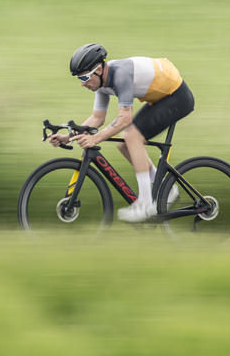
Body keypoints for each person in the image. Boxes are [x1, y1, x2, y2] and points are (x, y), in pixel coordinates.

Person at [48, 44, 195, 222]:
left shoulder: (120, 76)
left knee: (131, 136)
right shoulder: (102, 83)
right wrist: (67, 137)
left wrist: (95, 139)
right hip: (160, 97)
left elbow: (125, 119)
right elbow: (97, 119)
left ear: (99, 69)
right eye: (79, 78)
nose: (82, 83)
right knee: (124, 143)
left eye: (85, 77)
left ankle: (146, 204)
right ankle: (166, 188)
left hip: (176, 97)